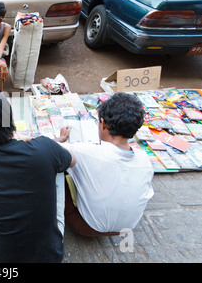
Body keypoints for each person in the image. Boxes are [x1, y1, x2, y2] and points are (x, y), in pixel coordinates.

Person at [0, 89, 76, 263]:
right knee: (59, 167)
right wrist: (55, 142)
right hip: (49, 253)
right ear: (10, 117)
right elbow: (72, 161)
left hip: (1, 254)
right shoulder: (45, 147)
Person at [62, 92, 154, 237]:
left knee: (61, 168)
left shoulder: (85, 152)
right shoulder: (145, 159)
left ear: (103, 123)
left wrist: (61, 139)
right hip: (127, 228)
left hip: (87, 227)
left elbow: (50, 149)